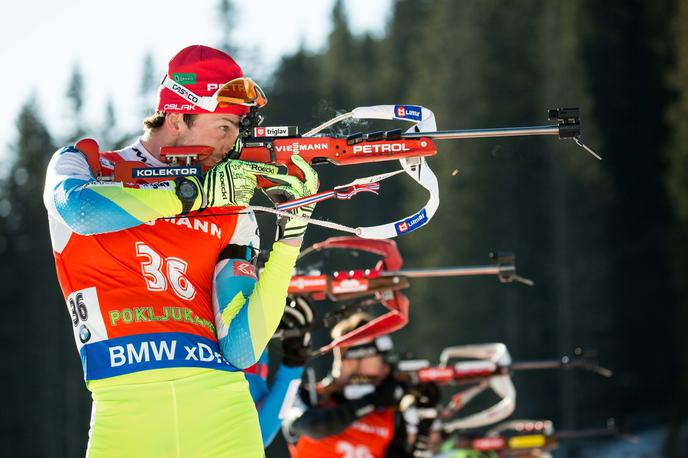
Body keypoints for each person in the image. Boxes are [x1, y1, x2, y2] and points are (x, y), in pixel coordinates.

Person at [43, 44, 318, 457]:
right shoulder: (87, 166)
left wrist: (290, 239)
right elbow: (81, 212)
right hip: (125, 419)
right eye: (223, 127)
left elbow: (242, 349)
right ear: (176, 117)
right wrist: (189, 196)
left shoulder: (230, 205)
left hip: (224, 416)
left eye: (236, 131)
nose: (231, 144)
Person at [282, 312, 412, 458]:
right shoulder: (306, 396)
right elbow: (315, 427)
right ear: (351, 361)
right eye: (381, 359)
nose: (386, 368)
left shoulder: (388, 412)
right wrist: (371, 401)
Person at [246, 296, 313, 447]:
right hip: (252, 318)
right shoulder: (256, 439)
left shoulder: (254, 440)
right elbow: (285, 395)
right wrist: (296, 356)